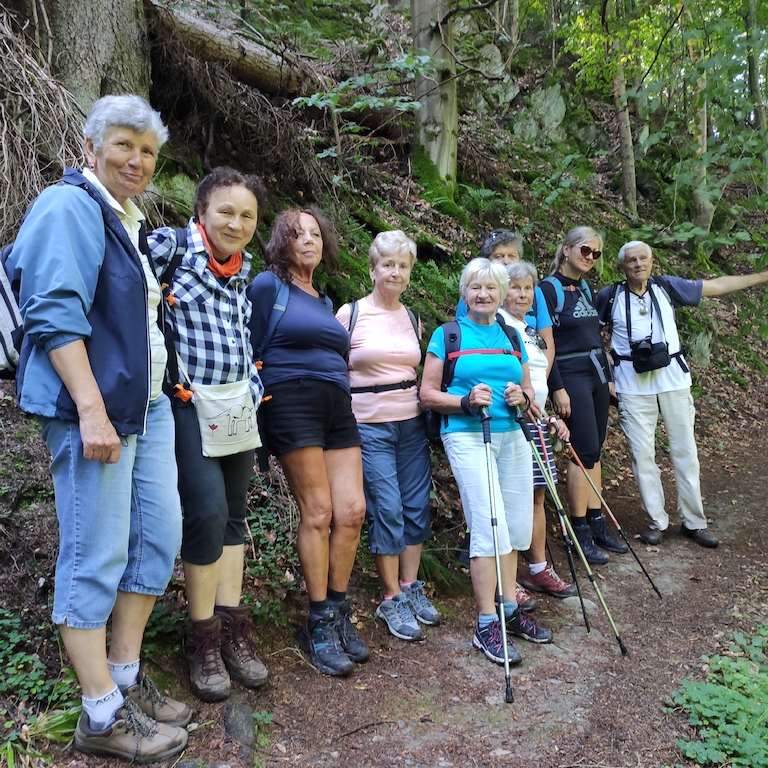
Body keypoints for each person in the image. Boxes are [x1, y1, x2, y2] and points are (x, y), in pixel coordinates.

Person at [6, 95, 191, 762]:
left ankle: (124, 681)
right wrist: (89, 409)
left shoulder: (128, 220)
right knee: (96, 552)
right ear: (91, 147)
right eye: (123, 145)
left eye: (147, 151)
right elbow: (53, 310)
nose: (137, 160)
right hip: (96, 410)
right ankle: (99, 715)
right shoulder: (69, 207)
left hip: (144, 408)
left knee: (154, 540)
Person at [148, 167, 268, 700]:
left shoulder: (244, 270)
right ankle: (200, 638)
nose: (235, 223)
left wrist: (255, 385)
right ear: (201, 211)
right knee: (208, 511)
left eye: (246, 215)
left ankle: (231, 631)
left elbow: (241, 333)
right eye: (226, 211)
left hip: (237, 407)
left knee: (235, 516)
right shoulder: (168, 250)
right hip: (185, 405)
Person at [246, 207, 368, 677]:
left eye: (316, 233)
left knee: (352, 511)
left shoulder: (323, 298)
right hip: (290, 400)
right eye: (298, 234)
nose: (309, 240)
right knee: (318, 511)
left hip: (338, 405)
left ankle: (337, 611)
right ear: (282, 241)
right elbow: (249, 347)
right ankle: (317, 621)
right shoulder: (267, 287)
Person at [420, 258, 553, 667]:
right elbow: (426, 394)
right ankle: (484, 623)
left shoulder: (512, 336)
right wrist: (463, 400)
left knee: (514, 525)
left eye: (491, 288)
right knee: (488, 523)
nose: (484, 294)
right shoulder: (448, 335)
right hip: (466, 434)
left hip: (511, 434)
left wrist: (522, 398)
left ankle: (509, 610)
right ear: (464, 292)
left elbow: (529, 391)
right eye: (476, 288)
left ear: (501, 292)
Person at [596, 240, 768, 547]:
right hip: (631, 386)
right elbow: (590, 337)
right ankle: (656, 520)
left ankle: (693, 521)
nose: (638, 264)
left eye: (643, 259)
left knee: (685, 452)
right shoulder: (609, 297)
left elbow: (716, 286)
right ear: (621, 267)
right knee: (641, 455)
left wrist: (761, 276)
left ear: (652, 263)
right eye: (631, 260)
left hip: (673, 380)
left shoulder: (667, 288)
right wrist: (607, 375)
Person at [336, 230, 439, 642]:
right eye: (388, 264)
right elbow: (334, 370)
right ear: (373, 268)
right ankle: (390, 595)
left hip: (411, 422)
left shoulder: (411, 317)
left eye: (403, 265)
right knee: (389, 508)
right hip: (367, 423)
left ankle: (411, 586)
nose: (395, 272)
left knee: (415, 506)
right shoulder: (351, 314)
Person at [540, 226, 626, 564]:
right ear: (566, 249)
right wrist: (557, 386)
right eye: (584, 250)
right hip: (570, 373)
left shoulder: (587, 287)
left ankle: (596, 520)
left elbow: (594, 335)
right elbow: (545, 341)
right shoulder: (547, 290)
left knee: (596, 450)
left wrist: (608, 378)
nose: (589, 257)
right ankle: (578, 530)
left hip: (596, 373)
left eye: (596, 253)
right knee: (581, 450)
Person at [498, 261, 576, 598]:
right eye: (515, 287)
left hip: (537, 420)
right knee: (510, 500)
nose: (522, 294)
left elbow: (537, 381)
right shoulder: (498, 326)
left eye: (528, 288)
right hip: (513, 421)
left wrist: (549, 416)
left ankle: (538, 569)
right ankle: (508, 578)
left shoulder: (527, 328)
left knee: (537, 496)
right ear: (502, 292)